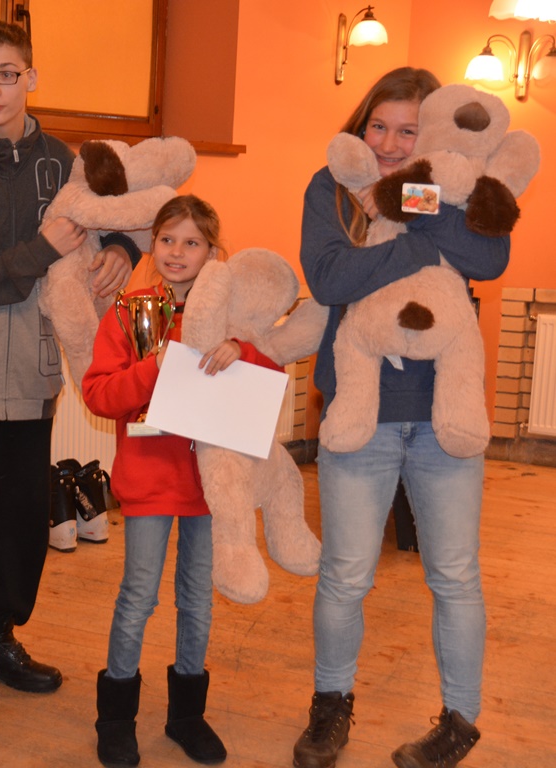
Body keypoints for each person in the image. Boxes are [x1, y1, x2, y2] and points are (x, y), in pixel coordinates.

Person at [0, 20, 139, 726]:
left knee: (16, 520)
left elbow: (116, 206)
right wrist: (39, 250)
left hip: (34, 372)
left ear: (31, 78)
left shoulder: (61, 160)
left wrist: (124, 249)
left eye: (7, 74)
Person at [293, 67, 510, 768]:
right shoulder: (331, 185)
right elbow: (330, 278)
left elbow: (489, 256)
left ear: (434, 132)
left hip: (446, 418)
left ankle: (459, 723)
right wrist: (421, 243)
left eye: (407, 131)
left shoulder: (456, 186)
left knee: (455, 575)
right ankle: (330, 709)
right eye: (377, 126)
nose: (388, 144)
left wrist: (410, 205)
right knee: (345, 575)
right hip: (360, 414)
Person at [82, 195, 284, 766]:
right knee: (138, 596)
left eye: (191, 242)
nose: (177, 252)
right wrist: (157, 367)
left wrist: (240, 351)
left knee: (197, 600)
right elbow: (98, 394)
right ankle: (115, 718)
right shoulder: (129, 311)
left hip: (210, 487)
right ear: (152, 244)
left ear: (213, 253)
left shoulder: (232, 319)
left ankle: (187, 716)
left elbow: (269, 377)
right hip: (149, 481)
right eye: (167, 239)